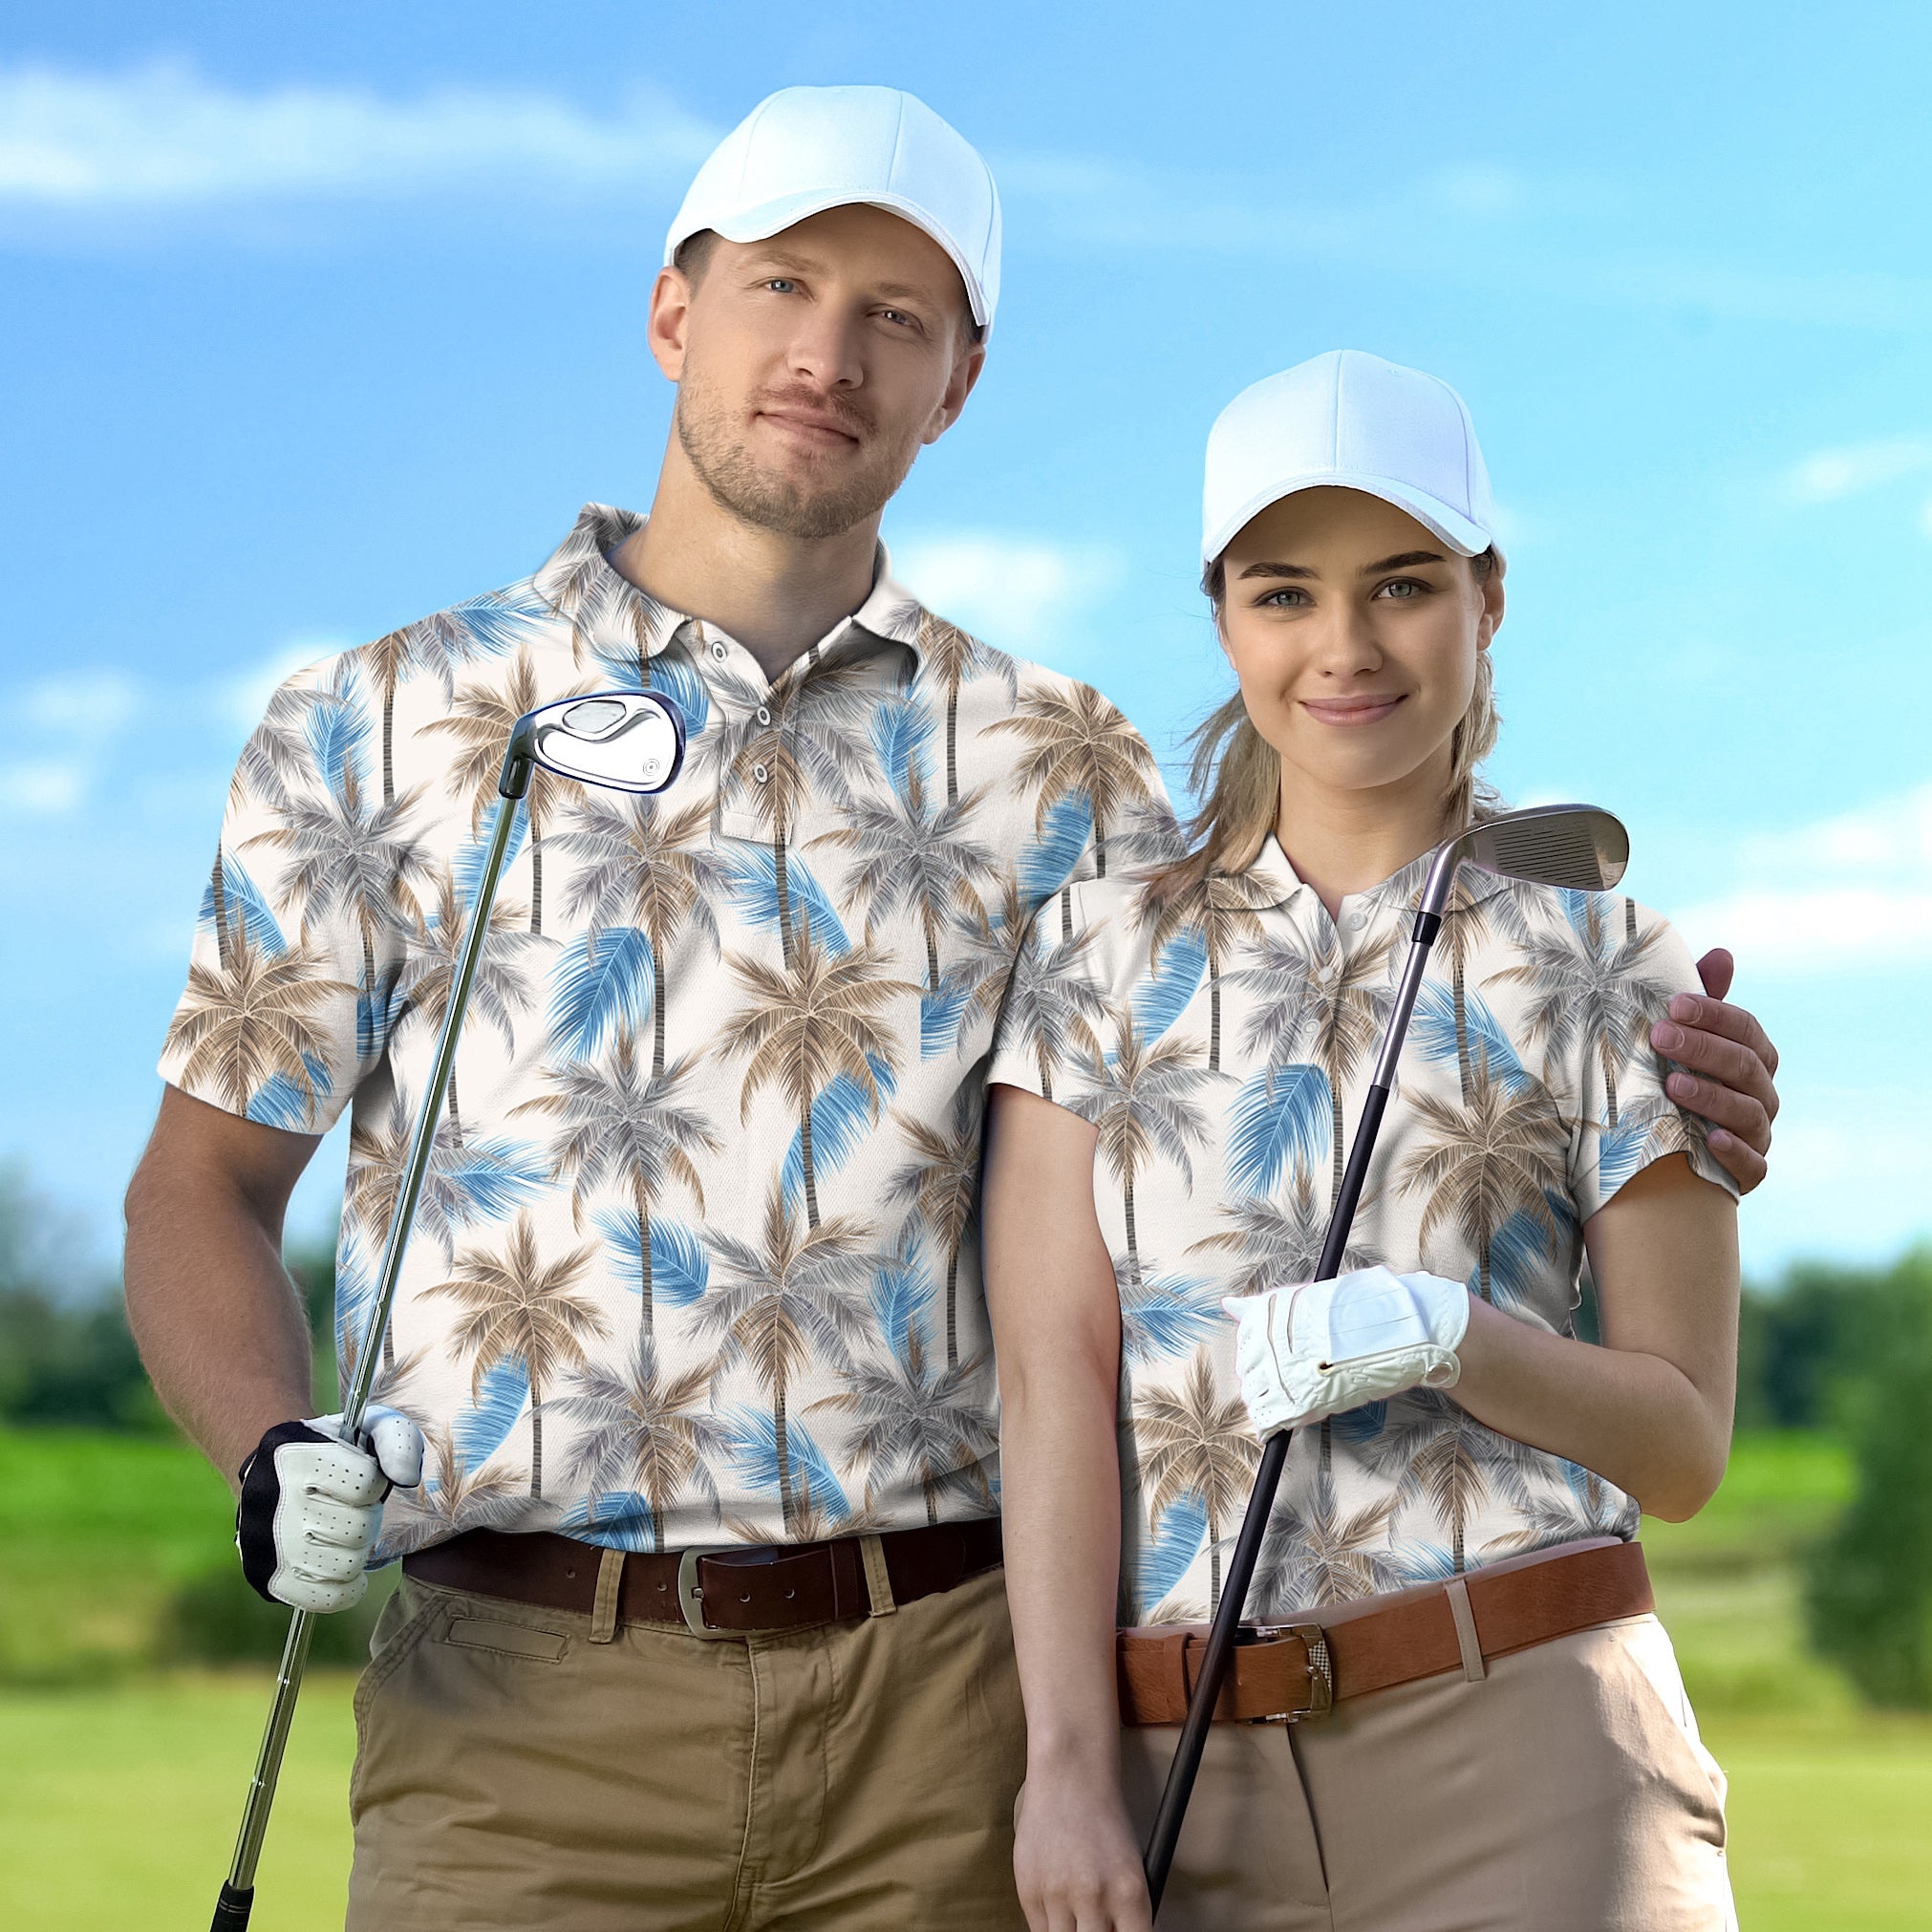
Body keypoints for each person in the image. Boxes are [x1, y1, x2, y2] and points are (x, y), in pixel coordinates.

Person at [118, 80, 1778, 1929]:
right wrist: (271, 1452)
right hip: (514, 1708)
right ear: (674, 309)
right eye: (781, 286)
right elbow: (201, 1192)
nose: (827, 353)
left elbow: (1296, 1040)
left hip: (947, 1705)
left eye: (894, 316)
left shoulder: (1063, 763)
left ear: (959, 379)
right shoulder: (378, 721)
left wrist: (1657, 1067)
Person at [984, 351, 1754, 1930]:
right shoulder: (1092, 955)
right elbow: (1047, 1379)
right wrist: (1062, 1763)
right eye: (1283, 594)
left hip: (1530, 1737)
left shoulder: (1612, 958)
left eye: (1400, 585)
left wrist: (1443, 1335)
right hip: (1185, 1773)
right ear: (1221, 617)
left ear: (1485, 599)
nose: (1342, 647)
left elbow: (1679, 1447)